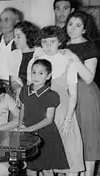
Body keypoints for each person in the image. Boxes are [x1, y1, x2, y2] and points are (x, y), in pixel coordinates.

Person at [27, 26, 84, 175]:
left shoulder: (68, 61)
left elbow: (73, 94)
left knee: (70, 157)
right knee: (47, 160)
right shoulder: (36, 62)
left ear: (60, 42)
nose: (48, 45)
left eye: (52, 41)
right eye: (44, 41)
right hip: (43, 115)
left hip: (63, 113)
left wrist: (68, 119)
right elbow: (30, 91)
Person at [65, 10, 100, 176]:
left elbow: (88, 77)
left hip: (85, 94)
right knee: (72, 138)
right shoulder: (61, 45)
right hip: (66, 94)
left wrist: (73, 57)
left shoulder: (90, 46)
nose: (72, 28)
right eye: (70, 24)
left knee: (88, 138)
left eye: (78, 25)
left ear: (85, 29)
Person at [19, 59, 69, 176]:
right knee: (30, 166)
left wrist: (28, 129)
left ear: (48, 76)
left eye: (41, 73)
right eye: (34, 72)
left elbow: (48, 119)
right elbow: (22, 109)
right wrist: (20, 125)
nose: (36, 76)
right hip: (28, 133)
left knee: (46, 167)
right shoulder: (24, 90)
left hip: (45, 135)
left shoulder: (51, 95)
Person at [0, 21, 40, 98]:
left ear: (28, 36)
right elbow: (13, 80)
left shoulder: (41, 53)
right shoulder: (13, 55)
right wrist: (18, 88)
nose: (15, 40)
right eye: (14, 37)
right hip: (19, 95)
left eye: (18, 37)